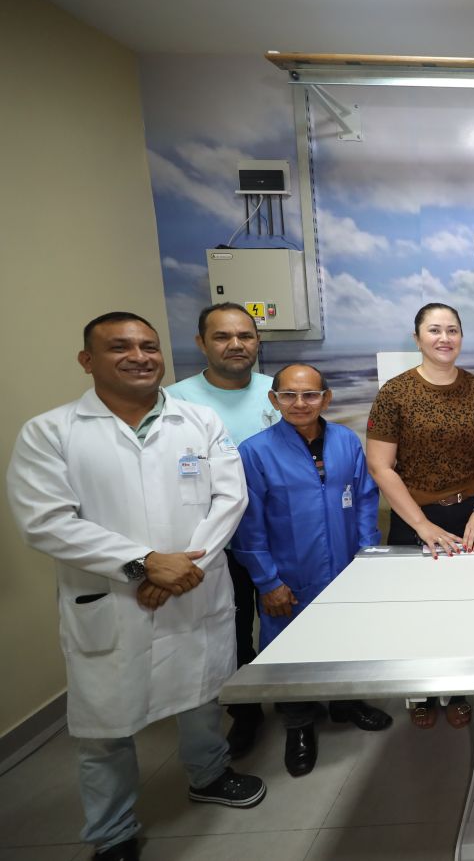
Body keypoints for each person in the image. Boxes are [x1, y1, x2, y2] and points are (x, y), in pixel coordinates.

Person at [7, 313, 265, 861]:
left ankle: (209, 774)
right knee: (105, 724)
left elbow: (229, 499)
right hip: (114, 598)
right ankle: (112, 832)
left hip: (194, 585)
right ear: (87, 360)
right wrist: (143, 564)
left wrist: (180, 569)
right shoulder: (51, 432)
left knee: (202, 696)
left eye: (149, 346)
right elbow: (45, 522)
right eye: (119, 347)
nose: (139, 356)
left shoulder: (199, 422)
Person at [233, 364, 390, 778]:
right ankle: (299, 725)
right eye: (288, 395)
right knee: (291, 652)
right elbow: (249, 525)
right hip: (289, 575)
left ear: (326, 398)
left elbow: (365, 499)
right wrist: (268, 581)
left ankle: (346, 702)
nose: (299, 403)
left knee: (346, 641)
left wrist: (366, 554)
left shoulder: (346, 441)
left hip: (345, 566)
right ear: (274, 400)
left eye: (309, 395)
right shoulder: (254, 452)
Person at [367, 302, 474, 729]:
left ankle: (460, 688)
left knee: (466, 607)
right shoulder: (394, 393)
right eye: (435, 330)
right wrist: (421, 525)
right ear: (417, 338)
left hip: (470, 514)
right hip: (414, 515)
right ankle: (420, 691)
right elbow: (380, 467)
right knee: (416, 610)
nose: (445, 338)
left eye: (453, 330)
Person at [168, 302, 278, 757]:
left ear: (257, 342)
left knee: (287, 621)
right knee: (229, 632)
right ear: (201, 343)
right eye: (222, 336)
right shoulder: (175, 402)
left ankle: (301, 704)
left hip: (276, 538)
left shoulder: (279, 392)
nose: (236, 344)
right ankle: (245, 712)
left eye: (245, 336)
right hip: (213, 544)